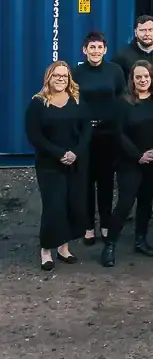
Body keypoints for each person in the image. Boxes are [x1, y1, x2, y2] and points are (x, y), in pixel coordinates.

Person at [102, 62, 153, 266]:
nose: (142, 80)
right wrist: (138, 155)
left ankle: (141, 239)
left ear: (152, 78)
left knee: (146, 203)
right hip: (129, 162)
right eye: (138, 77)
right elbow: (119, 134)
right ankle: (110, 245)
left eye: (146, 76)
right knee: (125, 203)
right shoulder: (124, 103)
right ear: (132, 80)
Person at [26, 61, 89, 270]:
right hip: (49, 164)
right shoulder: (37, 103)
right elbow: (35, 136)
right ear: (48, 78)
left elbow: (87, 131)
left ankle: (63, 248)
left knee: (72, 204)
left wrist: (76, 153)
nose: (61, 79)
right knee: (54, 207)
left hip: (74, 163)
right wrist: (59, 153)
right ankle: (46, 250)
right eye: (57, 76)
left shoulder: (77, 100)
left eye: (64, 76)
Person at [74, 31, 125, 246]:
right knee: (85, 182)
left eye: (99, 48)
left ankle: (105, 223)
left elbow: (122, 98)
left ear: (105, 50)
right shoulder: (76, 73)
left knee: (105, 183)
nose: (96, 51)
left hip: (108, 135)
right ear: (84, 50)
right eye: (91, 48)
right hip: (84, 135)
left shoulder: (115, 71)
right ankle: (88, 227)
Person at [115, 15, 153, 81]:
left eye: (151, 30)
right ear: (135, 32)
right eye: (142, 30)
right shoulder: (122, 57)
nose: (147, 34)